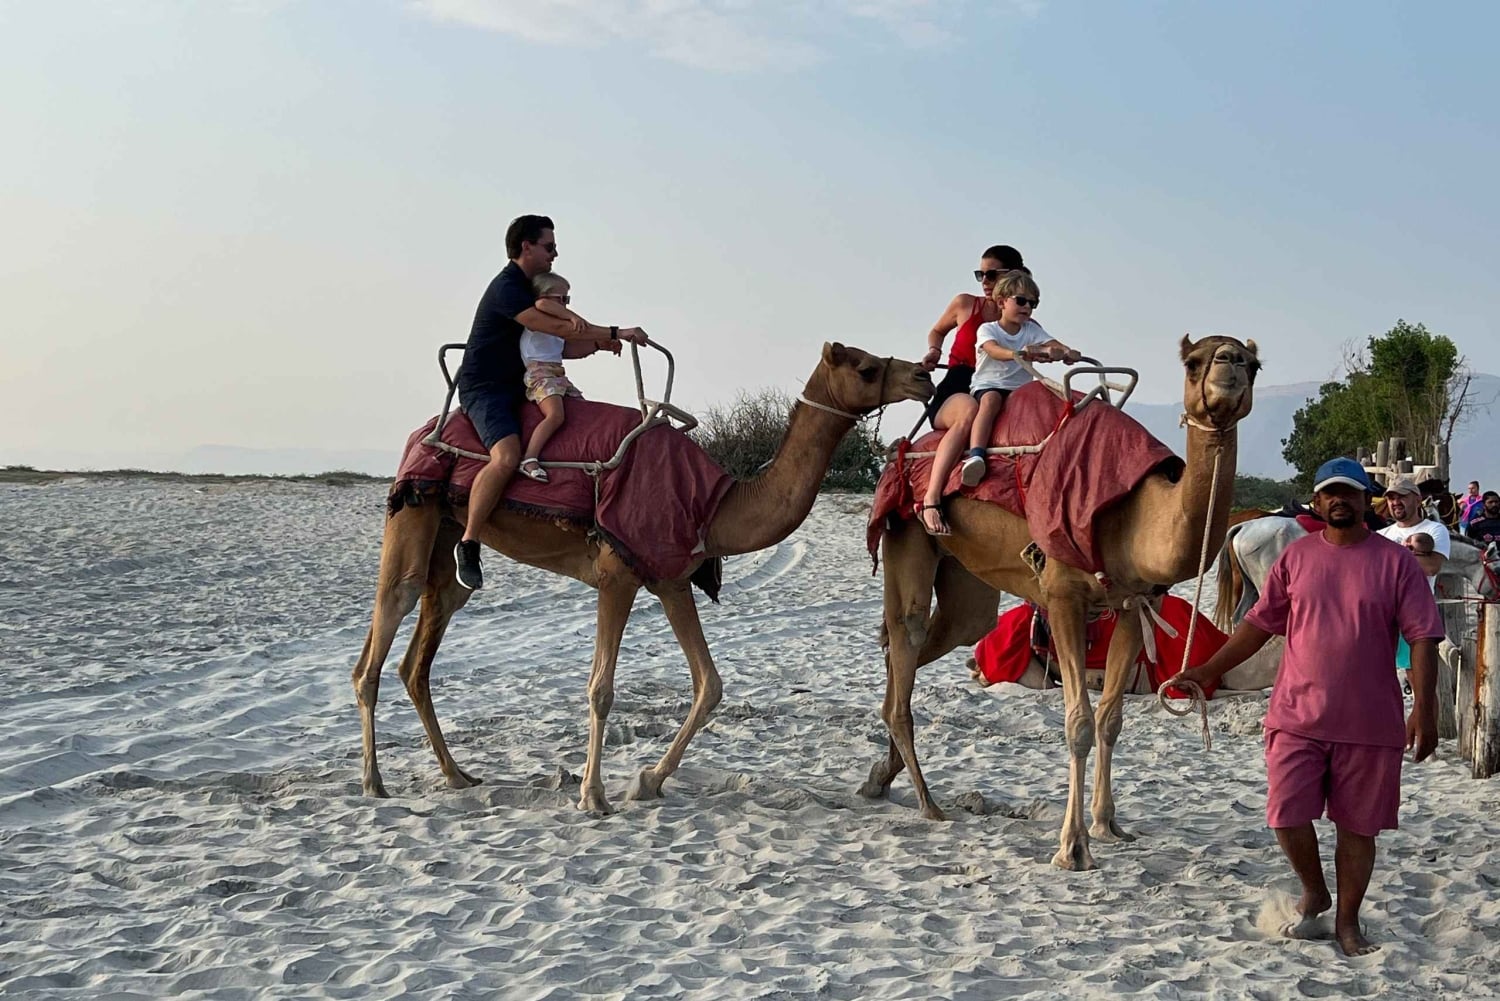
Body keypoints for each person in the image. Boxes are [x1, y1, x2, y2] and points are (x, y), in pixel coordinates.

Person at [1168, 456, 1444, 957]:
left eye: (1350, 492)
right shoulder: (1295, 559)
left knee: (1357, 828)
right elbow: (1258, 624)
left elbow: (1423, 637)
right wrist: (1207, 670)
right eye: (1330, 493)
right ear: (1317, 502)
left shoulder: (1396, 563)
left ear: (1366, 501)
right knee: (1286, 813)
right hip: (1296, 715)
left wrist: (1425, 710)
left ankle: (1348, 922)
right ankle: (1315, 890)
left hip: (1369, 721)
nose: (1340, 500)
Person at [454, 215, 647, 591]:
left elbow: (558, 344)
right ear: (526, 246)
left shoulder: (535, 289)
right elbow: (555, 327)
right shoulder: (508, 288)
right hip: (487, 389)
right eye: (549, 247)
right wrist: (617, 331)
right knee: (506, 456)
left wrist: (598, 344)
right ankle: (469, 542)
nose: (555, 254)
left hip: (521, 384)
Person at [913, 246, 1037, 535]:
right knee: (970, 411)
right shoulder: (966, 304)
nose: (984, 281)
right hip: (959, 385)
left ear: (1014, 275)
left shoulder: (1025, 320)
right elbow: (937, 331)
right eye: (981, 274)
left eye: (991, 274)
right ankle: (931, 500)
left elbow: (1043, 344)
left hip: (1003, 387)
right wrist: (934, 350)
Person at [958, 271, 1080, 486]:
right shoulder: (988, 329)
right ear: (1002, 302)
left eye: (1033, 303)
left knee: (1048, 401)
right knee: (991, 401)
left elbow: (1053, 344)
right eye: (1021, 301)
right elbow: (993, 350)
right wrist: (1017, 354)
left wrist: (1066, 352)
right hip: (990, 385)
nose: (1027, 307)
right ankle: (976, 454)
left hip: (1021, 389)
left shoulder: (1031, 330)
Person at [515, 272, 625, 483]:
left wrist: (599, 344)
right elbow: (542, 304)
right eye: (562, 299)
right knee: (555, 415)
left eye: (568, 300)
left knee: (581, 409)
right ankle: (529, 458)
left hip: (557, 373)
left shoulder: (554, 331)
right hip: (540, 373)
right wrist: (572, 317)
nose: (565, 305)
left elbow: (568, 351)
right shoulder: (536, 320)